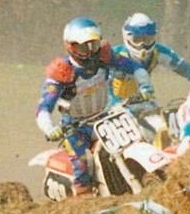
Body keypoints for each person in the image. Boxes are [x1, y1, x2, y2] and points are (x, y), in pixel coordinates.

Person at [34, 18, 154, 194]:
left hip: (106, 118)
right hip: (75, 127)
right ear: (72, 47)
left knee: (137, 136)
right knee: (82, 164)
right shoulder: (62, 73)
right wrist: (50, 129)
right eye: (84, 47)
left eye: (94, 45)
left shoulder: (105, 58)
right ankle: (83, 200)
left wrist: (145, 86)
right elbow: (43, 108)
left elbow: (135, 67)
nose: (91, 52)